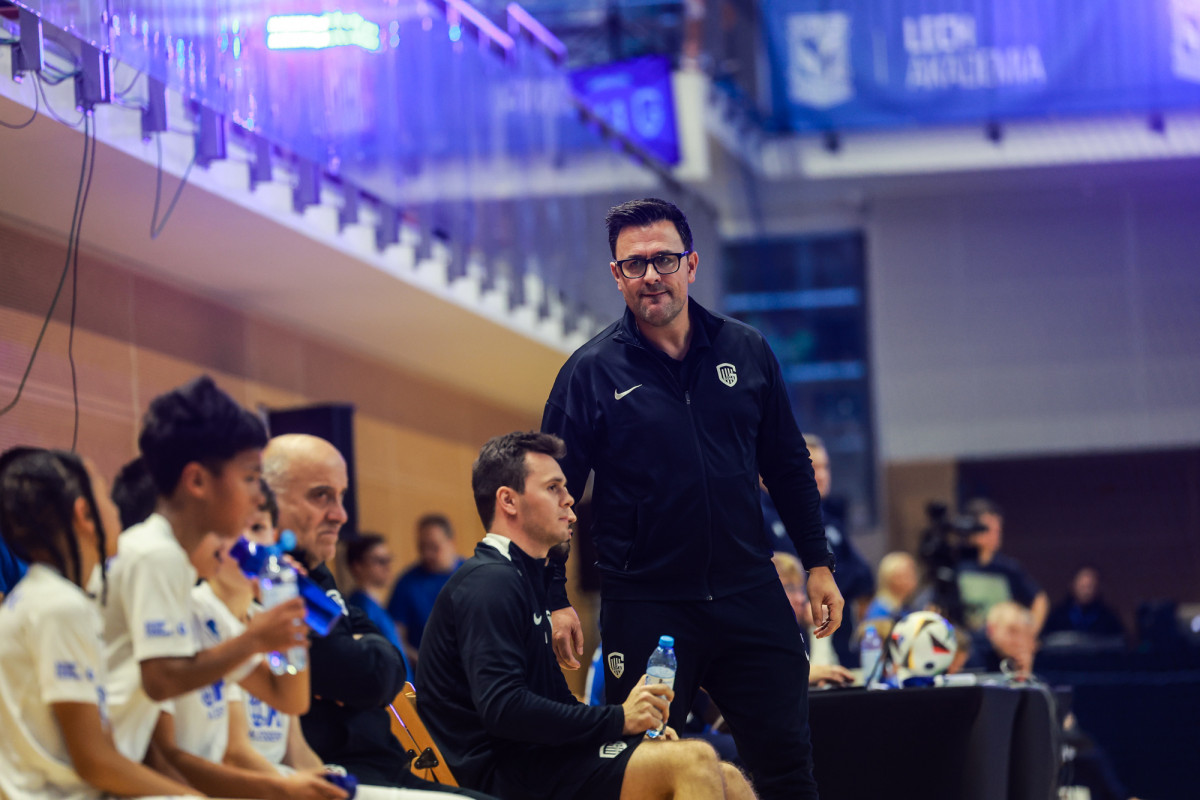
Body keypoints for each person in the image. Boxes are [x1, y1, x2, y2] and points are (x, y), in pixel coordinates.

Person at [541, 197, 842, 800]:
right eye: (634, 264)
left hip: (748, 592)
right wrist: (553, 596)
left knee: (787, 769)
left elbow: (788, 466)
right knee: (649, 769)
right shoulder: (590, 372)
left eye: (664, 259)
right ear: (617, 276)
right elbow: (555, 492)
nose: (651, 275)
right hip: (646, 602)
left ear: (692, 264)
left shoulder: (747, 350)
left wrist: (817, 563)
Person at [419, 430, 757, 800]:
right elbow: (504, 709)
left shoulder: (521, 578)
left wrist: (626, 727)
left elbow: (555, 701)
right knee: (693, 760)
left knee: (727, 775)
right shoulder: (489, 583)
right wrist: (620, 718)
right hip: (501, 776)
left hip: (538, 762)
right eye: (553, 488)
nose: (569, 499)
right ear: (508, 501)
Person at [262, 433, 495, 798]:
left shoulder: (317, 575)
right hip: (342, 769)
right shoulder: (273, 582)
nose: (340, 514)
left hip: (385, 763)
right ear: (268, 499)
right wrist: (363, 656)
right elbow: (362, 672)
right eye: (321, 495)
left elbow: (387, 660)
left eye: (341, 496)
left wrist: (365, 654)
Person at [102, 375, 310, 765]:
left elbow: (287, 698)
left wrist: (288, 622)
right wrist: (255, 640)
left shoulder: (180, 571)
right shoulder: (154, 553)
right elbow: (162, 679)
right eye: (249, 477)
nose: (257, 496)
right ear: (197, 481)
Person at [0, 447, 199, 797]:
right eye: (106, 495)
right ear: (84, 514)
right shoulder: (60, 606)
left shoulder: (43, 597)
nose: (115, 507)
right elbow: (93, 761)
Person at [957, 498, 1049, 635]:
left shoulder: (1007, 568)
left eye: (998, 529)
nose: (995, 533)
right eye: (988, 528)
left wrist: (1030, 633)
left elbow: (1039, 599)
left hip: (998, 642)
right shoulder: (956, 565)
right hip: (965, 641)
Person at [387, 513, 462, 666]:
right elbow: (396, 638)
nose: (427, 554)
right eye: (422, 547)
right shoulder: (407, 583)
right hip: (426, 670)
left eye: (434, 547)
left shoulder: (474, 575)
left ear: (451, 542)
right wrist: (426, 663)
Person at [772, 552, 854, 687]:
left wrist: (818, 627)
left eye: (801, 589)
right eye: (790, 588)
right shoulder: (754, 634)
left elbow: (825, 675)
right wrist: (808, 674)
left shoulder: (795, 631)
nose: (801, 599)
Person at [347, 533, 411, 661]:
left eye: (388, 559)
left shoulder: (375, 605)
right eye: (380, 561)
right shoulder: (361, 608)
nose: (388, 567)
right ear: (358, 566)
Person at [1042, 566, 1126, 642]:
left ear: (1097, 587)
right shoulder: (1057, 616)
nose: (1086, 592)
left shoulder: (1109, 618)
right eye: (1082, 586)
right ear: (1072, 585)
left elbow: (1119, 641)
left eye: (1089, 587)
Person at [862, 551, 920, 622]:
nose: (913, 577)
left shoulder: (904, 608)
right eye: (907, 574)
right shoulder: (880, 611)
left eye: (913, 571)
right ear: (891, 578)